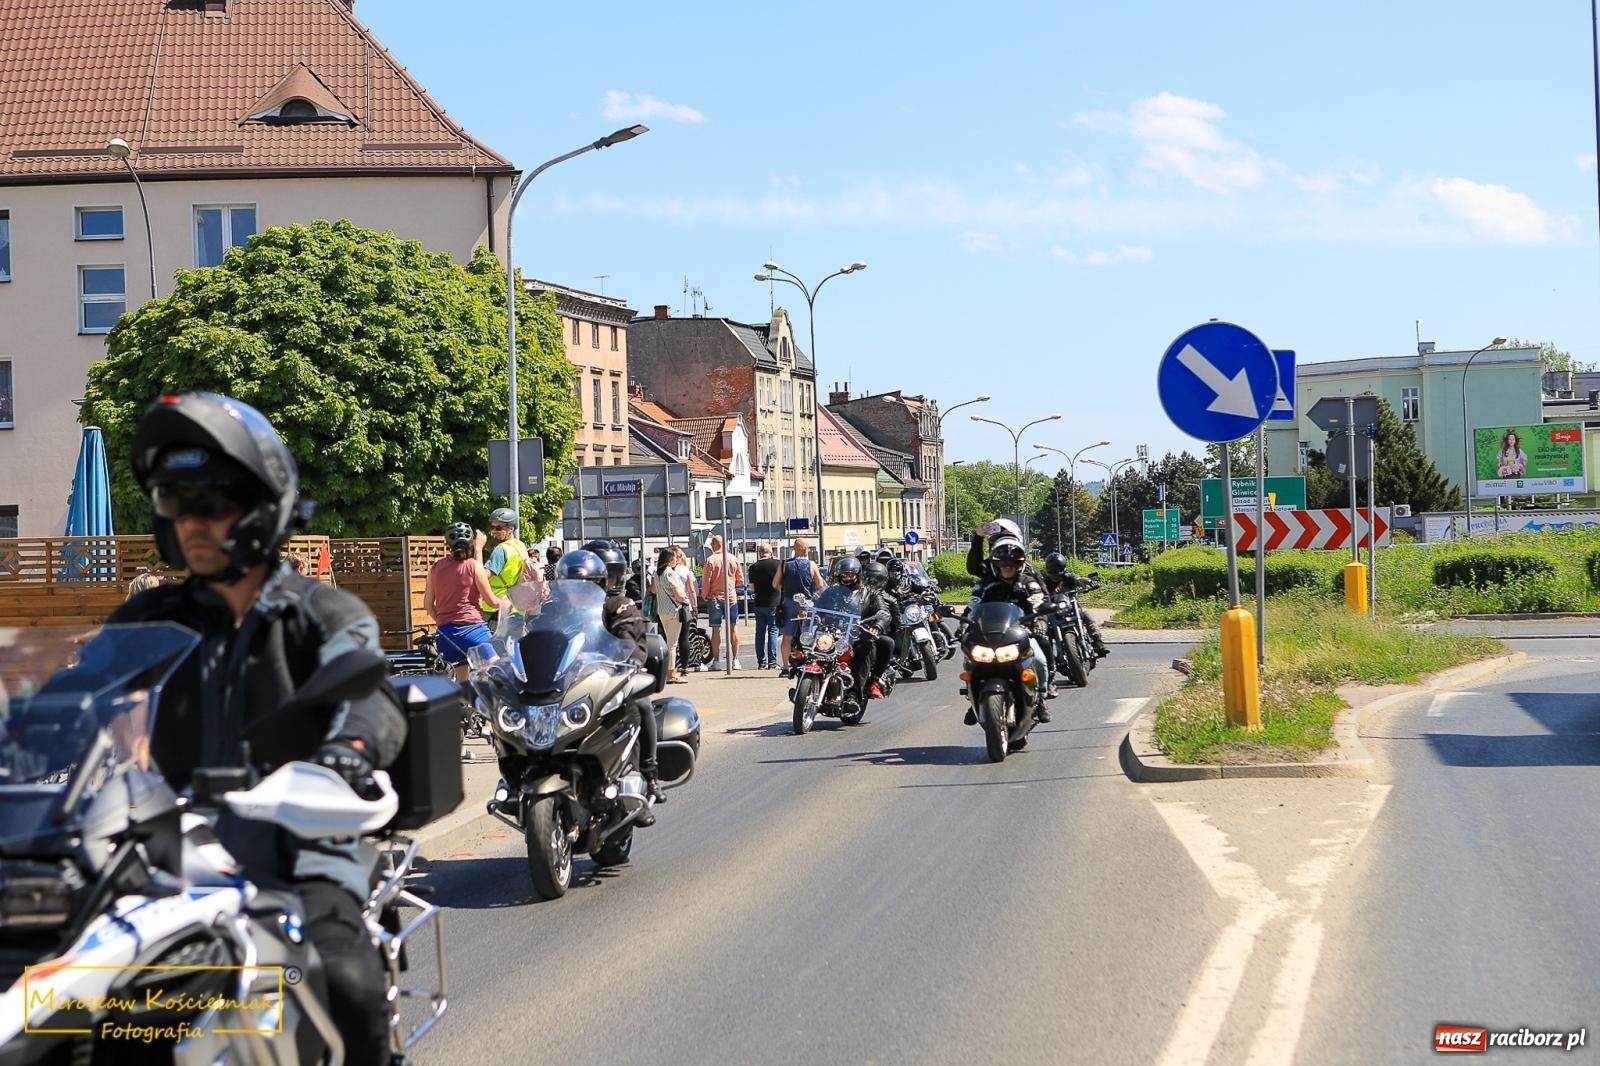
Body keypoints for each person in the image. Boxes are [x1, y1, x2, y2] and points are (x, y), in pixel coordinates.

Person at [109, 392, 405, 1066]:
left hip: (298, 841)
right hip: (167, 849)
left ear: (264, 506)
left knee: (349, 985)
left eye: (211, 502)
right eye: (174, 502)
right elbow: (75, 694)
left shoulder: (321, 612)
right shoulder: (144, 622)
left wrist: (347, 754)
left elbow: (369, 694)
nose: (192, 522)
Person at [558, 545, 664, 813]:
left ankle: (649, 773)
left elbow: (631, 643)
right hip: (567, 681)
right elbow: (535, 638)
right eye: (575, 584)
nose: (611, 584)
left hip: (610, 678)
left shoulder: (621, 606)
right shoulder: (557, 610)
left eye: (614, 577)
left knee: (641, 704)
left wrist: (624, 662)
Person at [969, 537, 1057, 723]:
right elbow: (973, 606)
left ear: (1019, 565)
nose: (1007, 567)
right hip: (990, 635)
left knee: (1039, 660)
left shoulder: (1028, 584)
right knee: (970, 660)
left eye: (1011, 564)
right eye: (1003, 564)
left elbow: (1039, 603)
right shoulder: (986, 585)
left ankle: (1041, 698)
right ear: (997, 565)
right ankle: (973, 698)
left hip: (1021, 633)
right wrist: (964, 624)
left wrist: (1040, 621)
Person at [424, 522, 505, 681]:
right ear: (471, 543)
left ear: (448, 544)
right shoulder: (474, 566)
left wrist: (444, 623)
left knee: (462, 680)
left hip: (446, 635)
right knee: (499, 671)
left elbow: (427, 606)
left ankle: (467, 705)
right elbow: (492, 602)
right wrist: (509, 603)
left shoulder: (435, 568)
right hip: (474, 631)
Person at [1041, 553, 1110, 658]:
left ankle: (1098, 642)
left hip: (1072, 608)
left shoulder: (1069, 578)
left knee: (1087, 615)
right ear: (1048, 570)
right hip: (1054, 612)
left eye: (1058, 571)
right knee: (1044, 628)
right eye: (1053, 571)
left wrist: (1090, 582)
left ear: (1063, 569)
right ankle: (1049, 658)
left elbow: (1080, 580)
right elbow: (1036, 592)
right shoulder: (1044, 583)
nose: (1056, 574)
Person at [776, 538, 824, 674]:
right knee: (810, 633)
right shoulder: (811, 564)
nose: (808, 551)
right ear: (804, 550)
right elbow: (820, 584)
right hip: (807, 603)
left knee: (787, 637)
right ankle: (810, 662)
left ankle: (785, 667)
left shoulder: (784, 564)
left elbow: (775, 583)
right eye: (808, 549)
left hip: (789, 603)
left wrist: (786, 584)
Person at [478, 507, 529, 627]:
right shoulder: (520, 546)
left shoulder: (501, 550)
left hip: (495, 610)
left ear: (511, 529)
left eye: (499, 528)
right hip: (516, 609)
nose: (494, 531)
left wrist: (478, 548)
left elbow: (481, 576)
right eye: (493, 527)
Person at [701, 535, 744, 669]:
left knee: (715, 629)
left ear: (714, 545)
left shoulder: (710, 560)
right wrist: (730, 585)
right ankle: (736, 660)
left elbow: (707, 581)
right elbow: (740, 580)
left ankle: (717, 661)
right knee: (734, 627)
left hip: (714, 597)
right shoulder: (733, 559)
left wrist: (704, 594)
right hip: (731, 597)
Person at [858, 559, 898, 696]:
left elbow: (895, 624)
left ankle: (874, 680)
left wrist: (879, 626)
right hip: (851, 631)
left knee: (887, 642)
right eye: (870, 578)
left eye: (877, 580)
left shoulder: (887, 599)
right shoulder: (855, 593)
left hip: (873, 633)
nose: (873, 582)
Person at [654, 546, 690, 683]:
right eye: (674, 558)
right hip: (673, 611)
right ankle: (671, 674)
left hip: (662, 610)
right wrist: (685, 600)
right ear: (669, 560)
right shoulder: (670, 573)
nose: (676, 561)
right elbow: (679, 594)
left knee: (668, 641)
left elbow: (654, 590)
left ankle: (666, 672)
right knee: (672, 644)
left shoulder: (657, 574)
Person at [747, 543, 781, 669]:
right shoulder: (778, 564)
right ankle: (772, 662)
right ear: (771, 552)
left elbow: (751, 587)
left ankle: (761, 662)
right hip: (774, 602)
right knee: (773, 631)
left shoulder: (753, 567)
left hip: (759, 603)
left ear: (759, 552)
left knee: (759, 633)